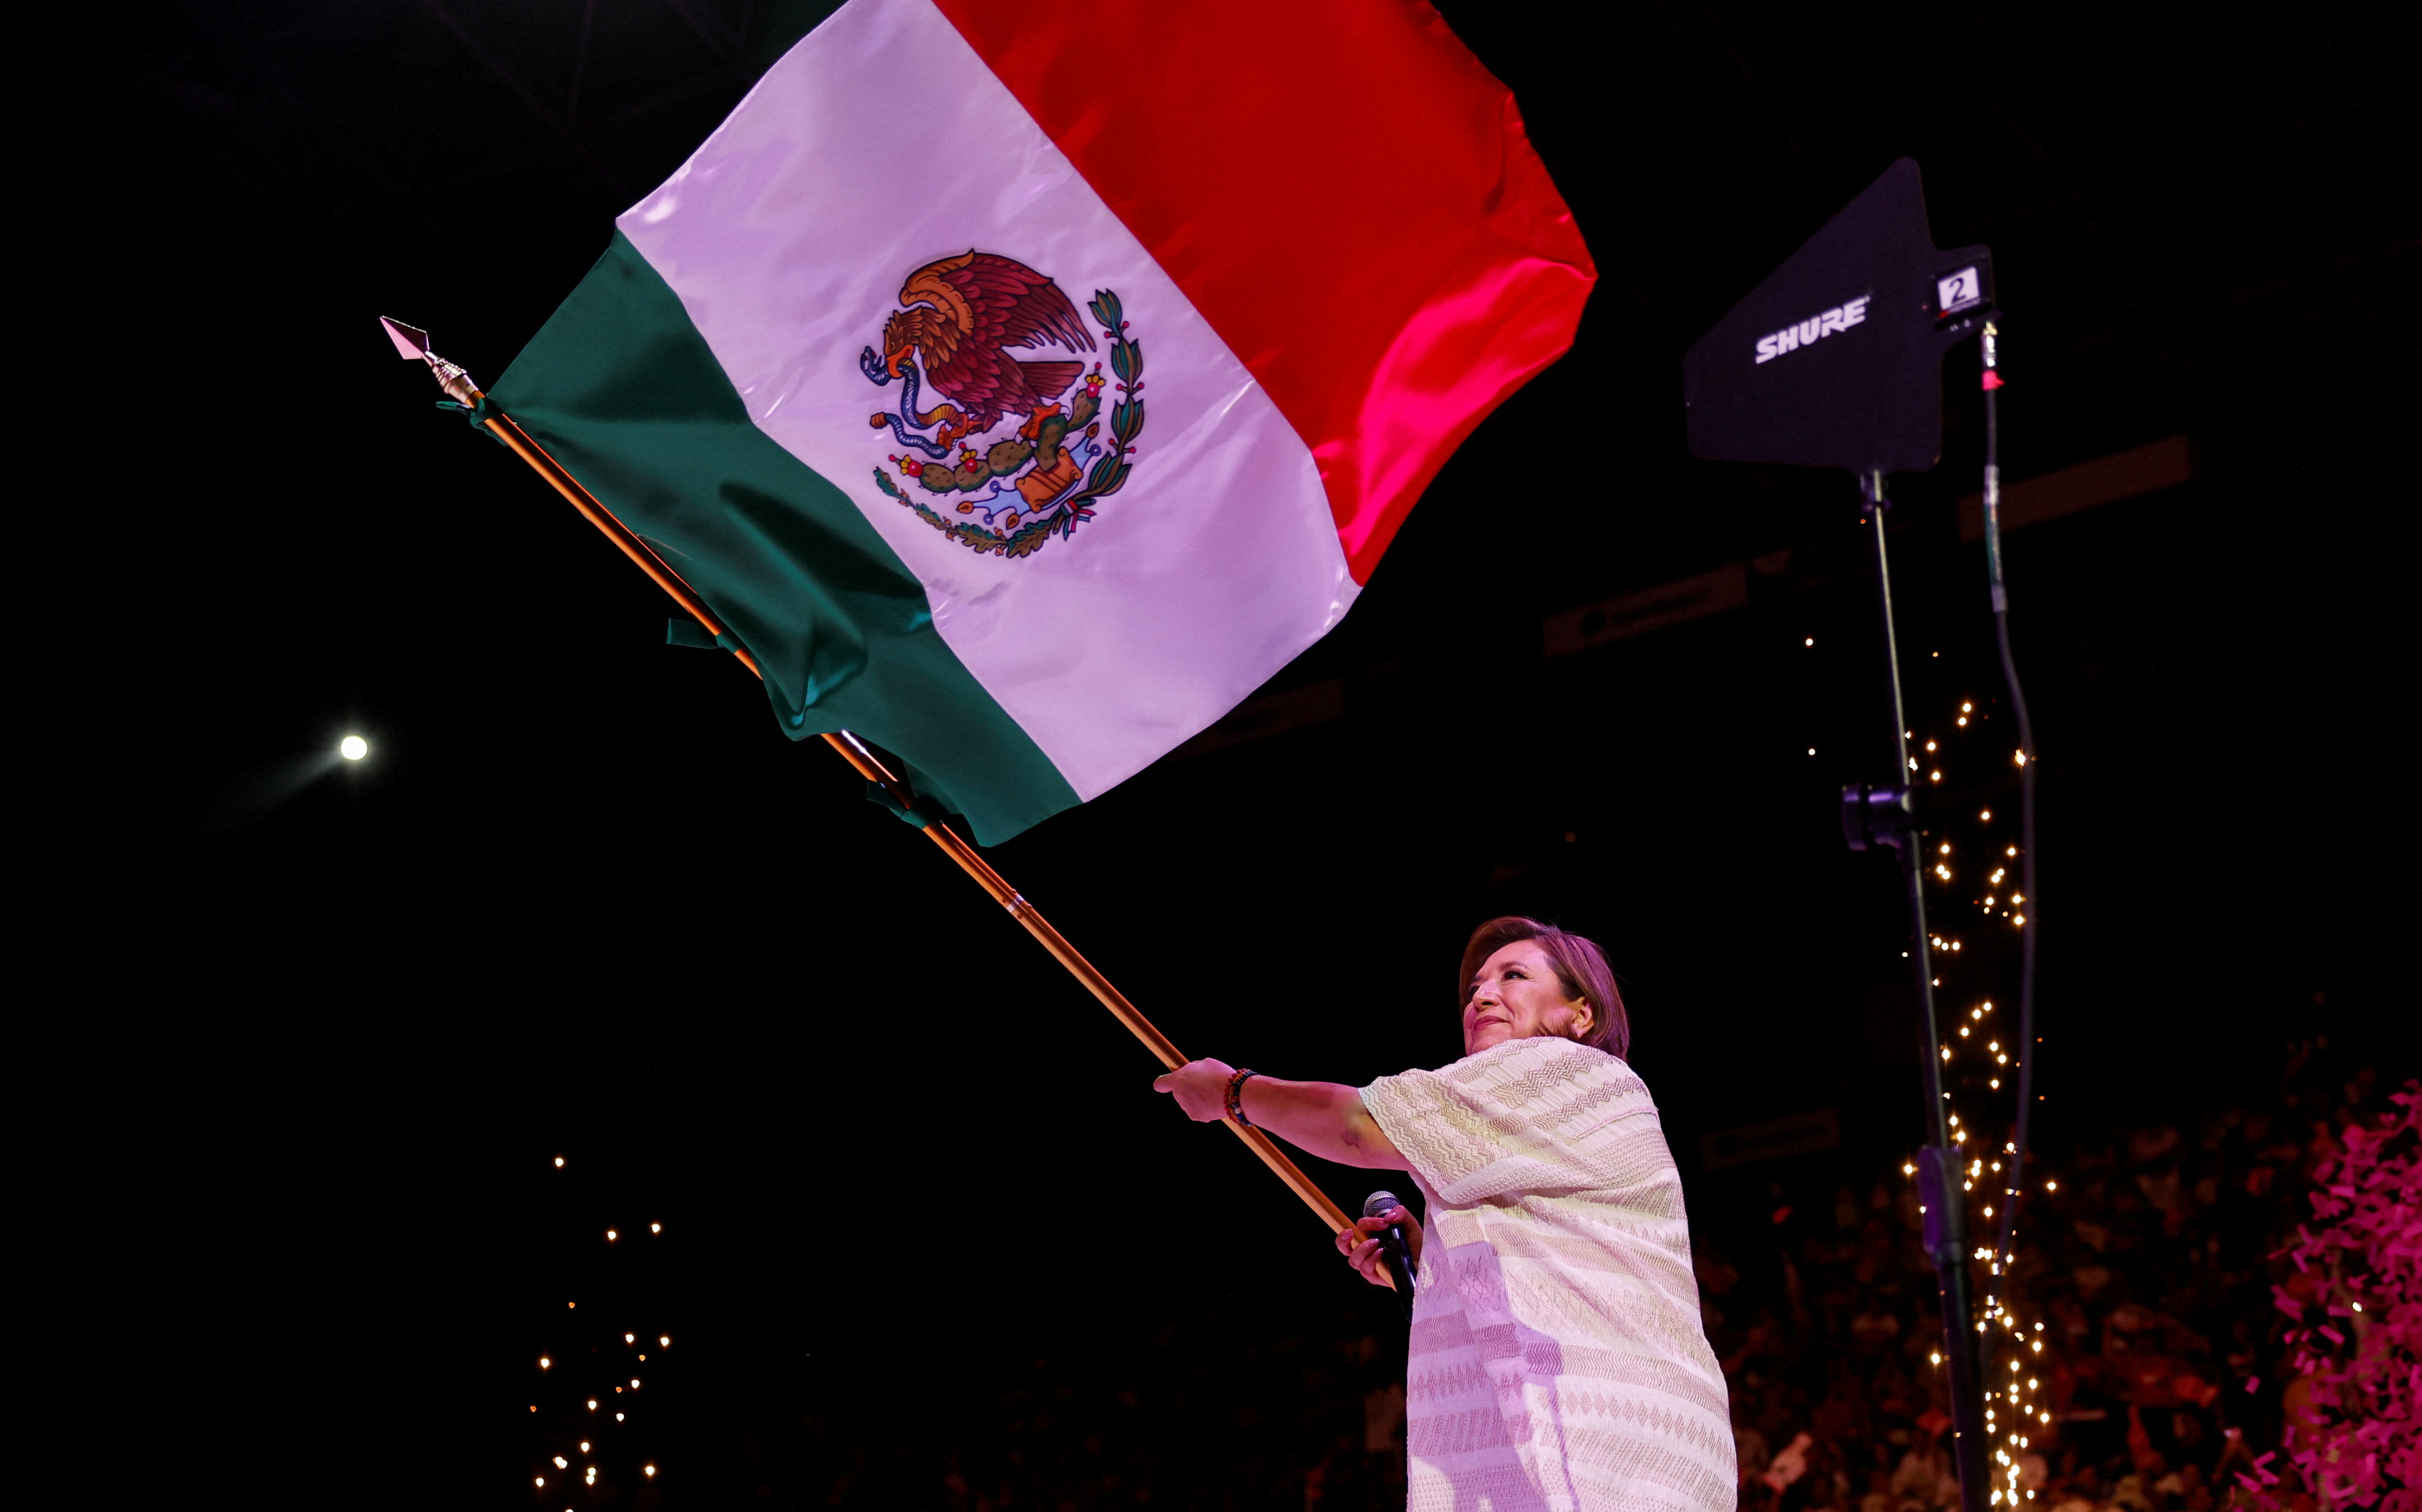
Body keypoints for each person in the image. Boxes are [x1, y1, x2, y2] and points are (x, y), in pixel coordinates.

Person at [1154, 917, 1736, 1512]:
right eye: (1474, 987)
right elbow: (1556, 1264)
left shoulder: (1567, 1071)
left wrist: (1232, 1093)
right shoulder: (1556, 1120)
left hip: (1605, 1451)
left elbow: (1355, 1128)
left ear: (1579, 1014)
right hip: (1621, 1451)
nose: (1481, 994)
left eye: (1512, 975)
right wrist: (1434, 1260)